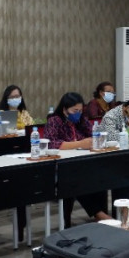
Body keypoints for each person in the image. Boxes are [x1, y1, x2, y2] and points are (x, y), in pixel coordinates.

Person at [45, 92, 112, 224]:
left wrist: (94, 139)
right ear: (64, 109)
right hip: (61, 167)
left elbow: (94, 133)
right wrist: (80, 144)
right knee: (76, 180)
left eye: (80, 111)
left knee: (101, 176)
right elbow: (51, 144)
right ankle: (99, 214)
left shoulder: (81, 120)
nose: (78, 114)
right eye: (75, 111)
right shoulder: (54, 121)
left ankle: (101, 214)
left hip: (82, 163)